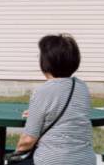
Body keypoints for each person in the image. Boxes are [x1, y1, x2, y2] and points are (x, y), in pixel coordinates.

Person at [14, 34, 96, 165]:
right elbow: (68, 113)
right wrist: (39, 114)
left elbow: (27, 141)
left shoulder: (42, 91)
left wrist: (14, 155)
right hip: (85, 160)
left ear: (45, 62)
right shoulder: (81, 87)